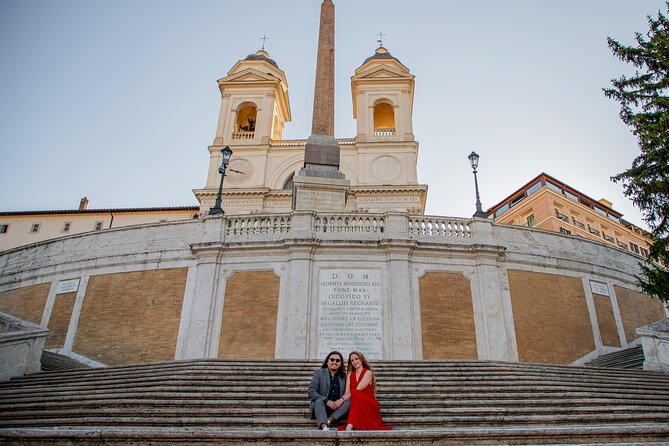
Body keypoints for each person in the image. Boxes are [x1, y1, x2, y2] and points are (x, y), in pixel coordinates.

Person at [339, 351, 392, 431]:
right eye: (352, 360)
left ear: (361, 359)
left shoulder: (368, 373)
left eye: (356, 359)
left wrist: (343, 399)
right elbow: (346, 393)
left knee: (355, 393)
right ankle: (350, 424)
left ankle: (350, 424)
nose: (354, 362)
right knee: (354, 396)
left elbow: (358, 389)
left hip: (370, 403)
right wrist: (339, 401)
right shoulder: (350, 375)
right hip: (357, 403)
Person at [307, 351, 350, 431]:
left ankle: (329, 420)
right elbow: (311, 392)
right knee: (318, 401)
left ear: (340, 364)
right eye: (332, 360)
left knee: (349, 401)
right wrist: (326, 401)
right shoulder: (319, 373)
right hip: (321, 406)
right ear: (327, 362)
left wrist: (339, 401)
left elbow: (348, 393)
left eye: (337, 361)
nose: (334, 362)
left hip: (337, 408)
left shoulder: (344, 376)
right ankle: (324, 426)